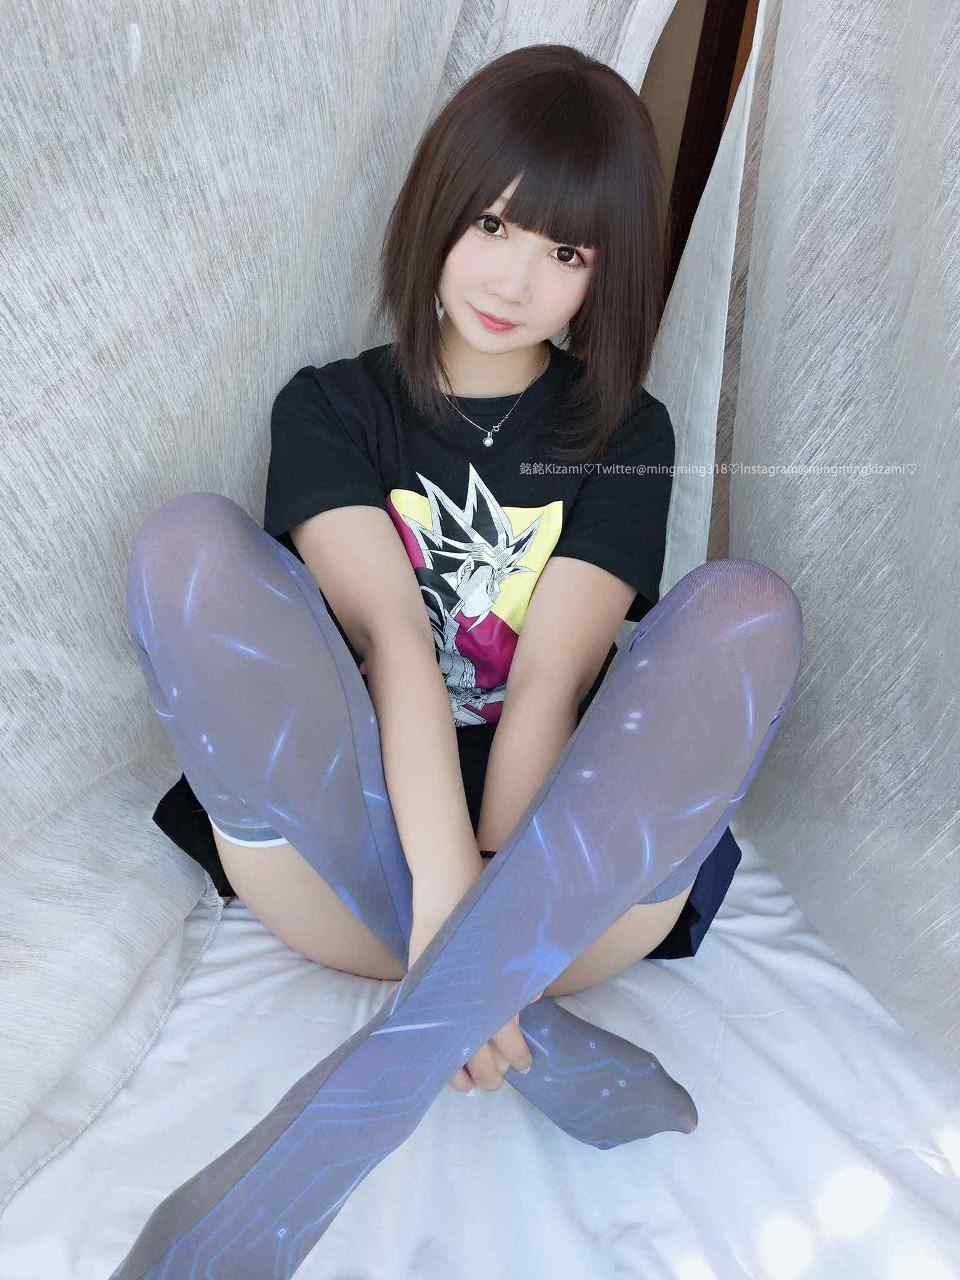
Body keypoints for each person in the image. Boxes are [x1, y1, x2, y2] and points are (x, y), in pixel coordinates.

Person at [113, 44, 801, 1278]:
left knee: (748, 611)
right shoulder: (328, 406)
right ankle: (507, 1013)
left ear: (604, 274)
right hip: (349, 855)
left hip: (560, 877)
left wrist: (490, 902)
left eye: (566, 251)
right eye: (493, 224)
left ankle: (381, 1080)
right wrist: (445, 898)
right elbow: (394, 646)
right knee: (184, 549)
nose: (516, 278)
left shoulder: (626, 430)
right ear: (439, 207)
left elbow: (548, 680)